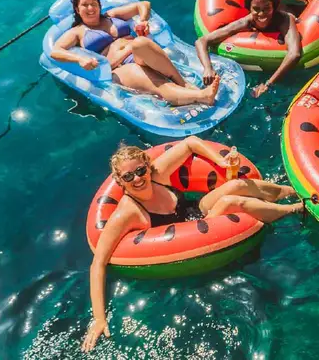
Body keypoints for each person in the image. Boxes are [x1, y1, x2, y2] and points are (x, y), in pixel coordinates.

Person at [81, 136, 302, 352]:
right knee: (231, 201)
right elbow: (98, 264)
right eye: (129, 176)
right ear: (119, 181)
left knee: (236, 184)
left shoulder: (157, 173)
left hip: (197, 211)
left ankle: (294, 191)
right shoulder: (127, 213)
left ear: (148, 167)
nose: (137, 179)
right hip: (194, 235)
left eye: (140, 171)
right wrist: (99, 318)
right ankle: (297, 209)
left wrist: (222, 161)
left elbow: (190, 142)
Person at [52, 0, 218, 107]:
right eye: (85, 5)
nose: (91, 8)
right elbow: (55, 51)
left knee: (140, 42)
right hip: (119, 67)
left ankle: (182, 83)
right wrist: (80, 59)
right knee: (158, 83)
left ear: (99, 5)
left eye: (94, 3)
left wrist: (143, 20)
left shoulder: (111, 16)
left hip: (139, 53)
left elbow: (143, 4)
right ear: (77, 9)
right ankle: (202, 96)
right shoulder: (77, 32)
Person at [195, 0, 302, 98]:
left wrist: (268, 84)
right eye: (256, 9)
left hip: (294, 9)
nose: (261, 14)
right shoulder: (246, 22)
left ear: (274, 6)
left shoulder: (284, 19)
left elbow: (294, 53)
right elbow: (201, 41)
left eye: (267, 8)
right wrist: (208, 68)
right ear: (249, 8)